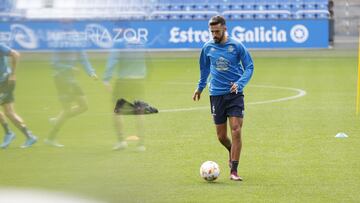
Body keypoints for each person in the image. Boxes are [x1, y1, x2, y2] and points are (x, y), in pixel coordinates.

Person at [192, 16, 254, 181]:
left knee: (236, 129)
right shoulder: (207, 47)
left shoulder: (236, 46)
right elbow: (204, 69)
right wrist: (200, 88)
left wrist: (239, 84)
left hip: (234, 94)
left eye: (217, 31)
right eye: (212, 31)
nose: (214, 34)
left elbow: (249, 67)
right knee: (221, 136)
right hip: (216, 95)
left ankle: (234, 170)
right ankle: (230, 150)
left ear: (225, 29)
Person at [45, 50, 97, 147]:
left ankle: (57, 120)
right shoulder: (60, 45)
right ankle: (50, 138)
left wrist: (91, 72)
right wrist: (70, 68)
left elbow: (84, 60)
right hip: (61, 79)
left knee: (84, 106)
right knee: (67, 110)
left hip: (72, 80)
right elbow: (53, 64)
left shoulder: (77, 45)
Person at [103, 40, 147, 152]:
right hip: (138, 80)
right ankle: (141, 144)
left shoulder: (119, 43)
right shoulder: (140, 43)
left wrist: (106, 78)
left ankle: (121, 141)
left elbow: (112, 61)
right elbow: (145, 61)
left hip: (124, 80)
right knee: (139, 111)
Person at [0, 43, 37, 149]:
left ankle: (29, 136)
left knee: (9, 112)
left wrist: (13, 74)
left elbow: (15, 54)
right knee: (9, 112)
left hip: (5, 82)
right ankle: (9, 133)